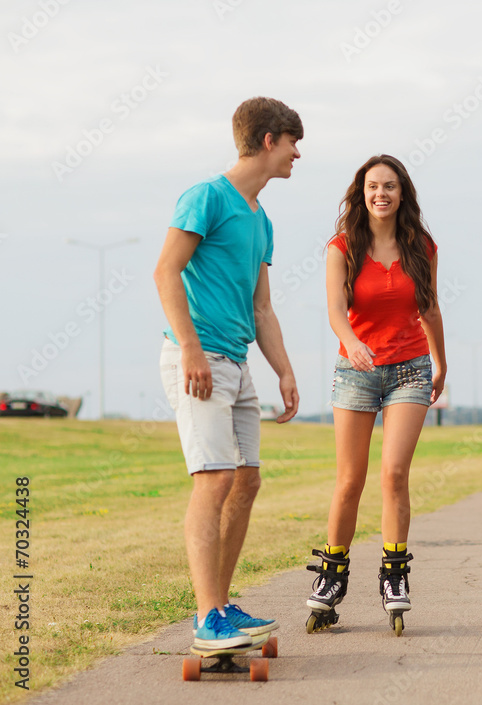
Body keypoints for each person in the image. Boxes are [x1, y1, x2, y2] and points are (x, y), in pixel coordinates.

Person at [154, 97, 302, 651]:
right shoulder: (206, 198)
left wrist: (283, 370)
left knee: (246, 480)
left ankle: (220, 605)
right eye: (293, 142)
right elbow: (165, 271)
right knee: (214, 479)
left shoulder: (261, 219)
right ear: (269, 140)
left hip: (236, 364)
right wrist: (190, 349)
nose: (297, 154)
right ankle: (206, 616)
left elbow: (262, 308)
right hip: (199, 361)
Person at [305, 155, 446, 636]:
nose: (380, 194)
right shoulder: (342, 246)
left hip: (410, 368)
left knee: (395, 473)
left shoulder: (420, 245)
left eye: (389, 186)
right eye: (372, 186)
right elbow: (335, 313)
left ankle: (394, 573)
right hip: (357, 370)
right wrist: (354, 342)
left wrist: (440, 360)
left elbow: (429, 307)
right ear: (361, 194)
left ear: (402, 193)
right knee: (350, 480)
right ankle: (331, 574)